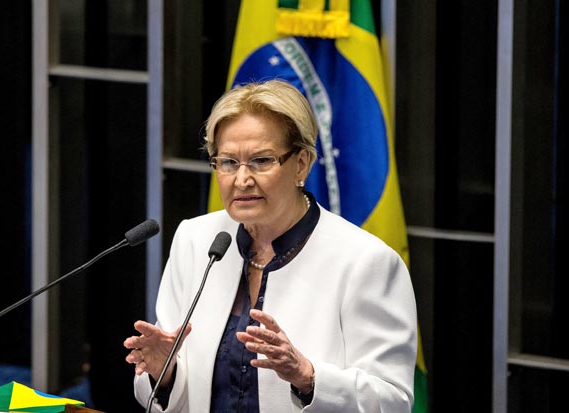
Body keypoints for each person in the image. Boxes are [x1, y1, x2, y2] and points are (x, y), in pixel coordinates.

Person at [123, 79, 417, 412]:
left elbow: (394, 401)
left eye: (261, 161)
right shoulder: (196, 239)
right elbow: (176, 396)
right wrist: (164, 371)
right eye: (228, 162)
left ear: (301, 164)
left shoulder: (366, 262)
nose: (242, 179)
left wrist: (308, 377)